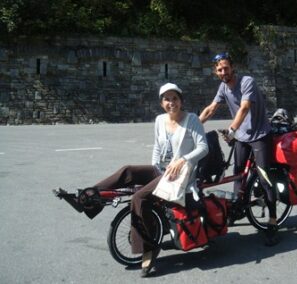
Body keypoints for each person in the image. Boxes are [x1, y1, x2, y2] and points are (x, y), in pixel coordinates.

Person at [55, 83, 208, 277]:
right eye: (167, 99)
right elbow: (157, 146)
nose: (171, 103)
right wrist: (154, 165)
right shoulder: (160, 120)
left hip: (181, 175)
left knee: (138, 198)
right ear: (161, 103)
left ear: (181, 100)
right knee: (127, 171)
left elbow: (204, 147)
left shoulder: (192, 119)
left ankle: (149, 248)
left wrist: (183, 160)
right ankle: (87, 198)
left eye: (175, 98)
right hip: (162, 172)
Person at [199, 52, 279, 246]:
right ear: (215, 72)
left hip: (260, 134)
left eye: (226, 68)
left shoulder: (246, 82)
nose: (223, 72)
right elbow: (211, 108)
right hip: (242, 135)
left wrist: (232, 130)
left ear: (232, 67)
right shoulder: (223, 87)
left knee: (264, 177)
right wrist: (193, 126)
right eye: (219, 69)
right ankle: (236, 208)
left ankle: (272, 221)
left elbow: (244, 108)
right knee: (237, 173)